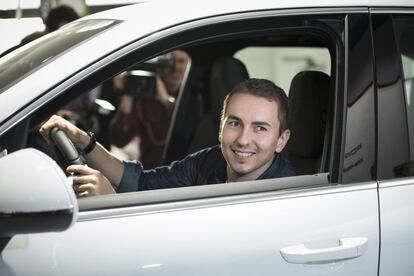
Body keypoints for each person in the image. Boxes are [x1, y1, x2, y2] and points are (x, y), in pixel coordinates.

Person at [39, 78, 294, 197]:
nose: (243, 140)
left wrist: (110, 202)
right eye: (235, 123)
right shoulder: (212, 161)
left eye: (260, 128)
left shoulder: (287, 195)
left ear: (281, 140)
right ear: (220, 127)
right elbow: (139, 182)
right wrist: (86, 142)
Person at [110, 50, 189, 168]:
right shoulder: (146, 95)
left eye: (181, 61)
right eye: (169, 62)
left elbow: (185, 129)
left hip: (185, 172)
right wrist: (127, 92)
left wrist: (166, 101)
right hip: (152, 173)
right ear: (161, 67)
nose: (175, 67)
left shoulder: (193, 96)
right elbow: (119, 140)